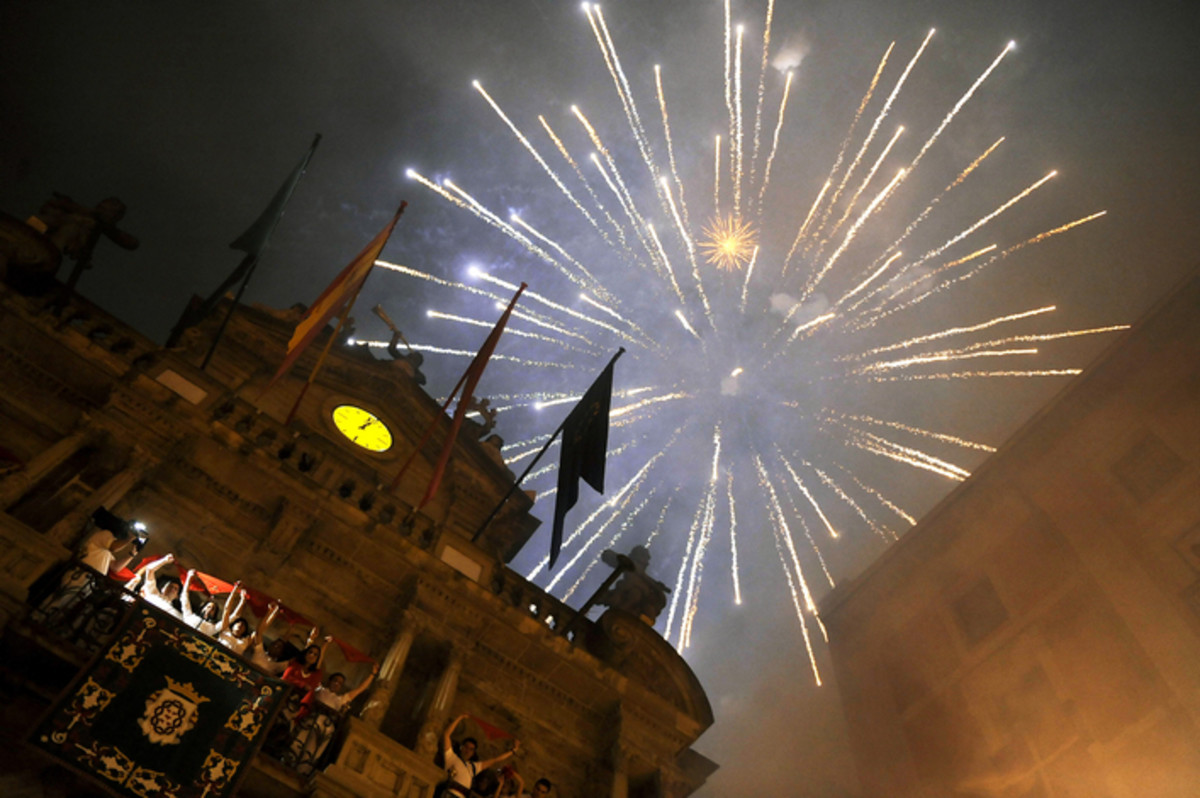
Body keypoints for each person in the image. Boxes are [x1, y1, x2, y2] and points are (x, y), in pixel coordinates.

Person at [288, 664, 379, 775]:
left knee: (311, 752)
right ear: (329, 681)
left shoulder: (340, 700)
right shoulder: (320, 689)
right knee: (298, 743)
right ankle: (288, 763)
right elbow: (317, 668)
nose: (336, 684)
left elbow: (359, 690)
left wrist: (372, 674)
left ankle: (302, 772)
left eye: (340, 683)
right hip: (310, 721)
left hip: (325, 729)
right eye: (335, 680)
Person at [441, 714, 520, 798]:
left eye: (471, 749)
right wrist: (460, 717)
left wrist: (513, 751)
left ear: (473, 752)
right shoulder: (451, 757)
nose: (467, 751)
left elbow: (495, 760)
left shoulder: (474, 767)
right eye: (466, 747)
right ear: (462, 747)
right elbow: (446, 735)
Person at [246, 602, 290, 676]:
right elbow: (259, 632)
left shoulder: (278, 666)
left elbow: (296, 662)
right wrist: (270, 612)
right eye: (274, 644)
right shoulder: (260, 652)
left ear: (281, 653)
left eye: (279, 647)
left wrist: (291, 627)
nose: (275, 647)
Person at [180, 570, 221, 636]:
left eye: (213, 609)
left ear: (215, 614)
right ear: (202, 608)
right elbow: (184, 597)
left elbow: (230, 617)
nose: (209, 610)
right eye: (208, 607)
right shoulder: (190, 616)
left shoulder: (212, 628)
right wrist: (189, 578)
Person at [216, 587, 255, 655]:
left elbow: (259, 631)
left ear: (245, 630)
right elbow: (226, 610)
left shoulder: (246, 641)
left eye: (243, 625)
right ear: (233, 625)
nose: (240, 625)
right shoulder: (225, 630)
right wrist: (235, 591)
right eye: (238, 623)